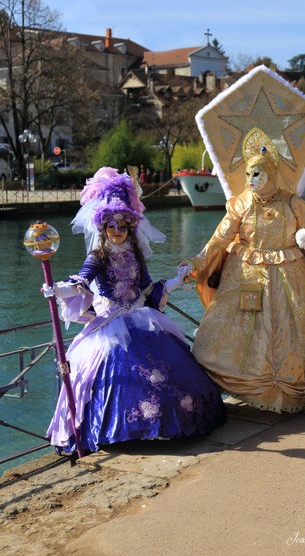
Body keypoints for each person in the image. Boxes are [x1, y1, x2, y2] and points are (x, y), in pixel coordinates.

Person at [44, 167, 225, 454]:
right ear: (103, 229)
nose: (116, 231)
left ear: (130, 227)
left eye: (122, 226)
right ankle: (121, 431)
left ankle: (164, 428)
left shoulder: (135, 253)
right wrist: (57, 289)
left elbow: (147, 287)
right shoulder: (98, 255)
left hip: (142, 318)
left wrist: (177, 280)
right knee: (106, 379)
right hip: (111, 323)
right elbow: (81, 280)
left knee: (171, 376)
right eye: (111, 226)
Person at [179, 129, 305, 414]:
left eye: (258, 174)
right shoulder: (241, 204)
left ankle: (296, 390)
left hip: (291, 275)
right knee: (246, 331)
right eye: (249, 174)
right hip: (247, 275)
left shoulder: (293, 203)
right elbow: (220, 239)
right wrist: (197, 261)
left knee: (294, 328)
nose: (251, 181)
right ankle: (253, 385)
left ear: (272, 173)